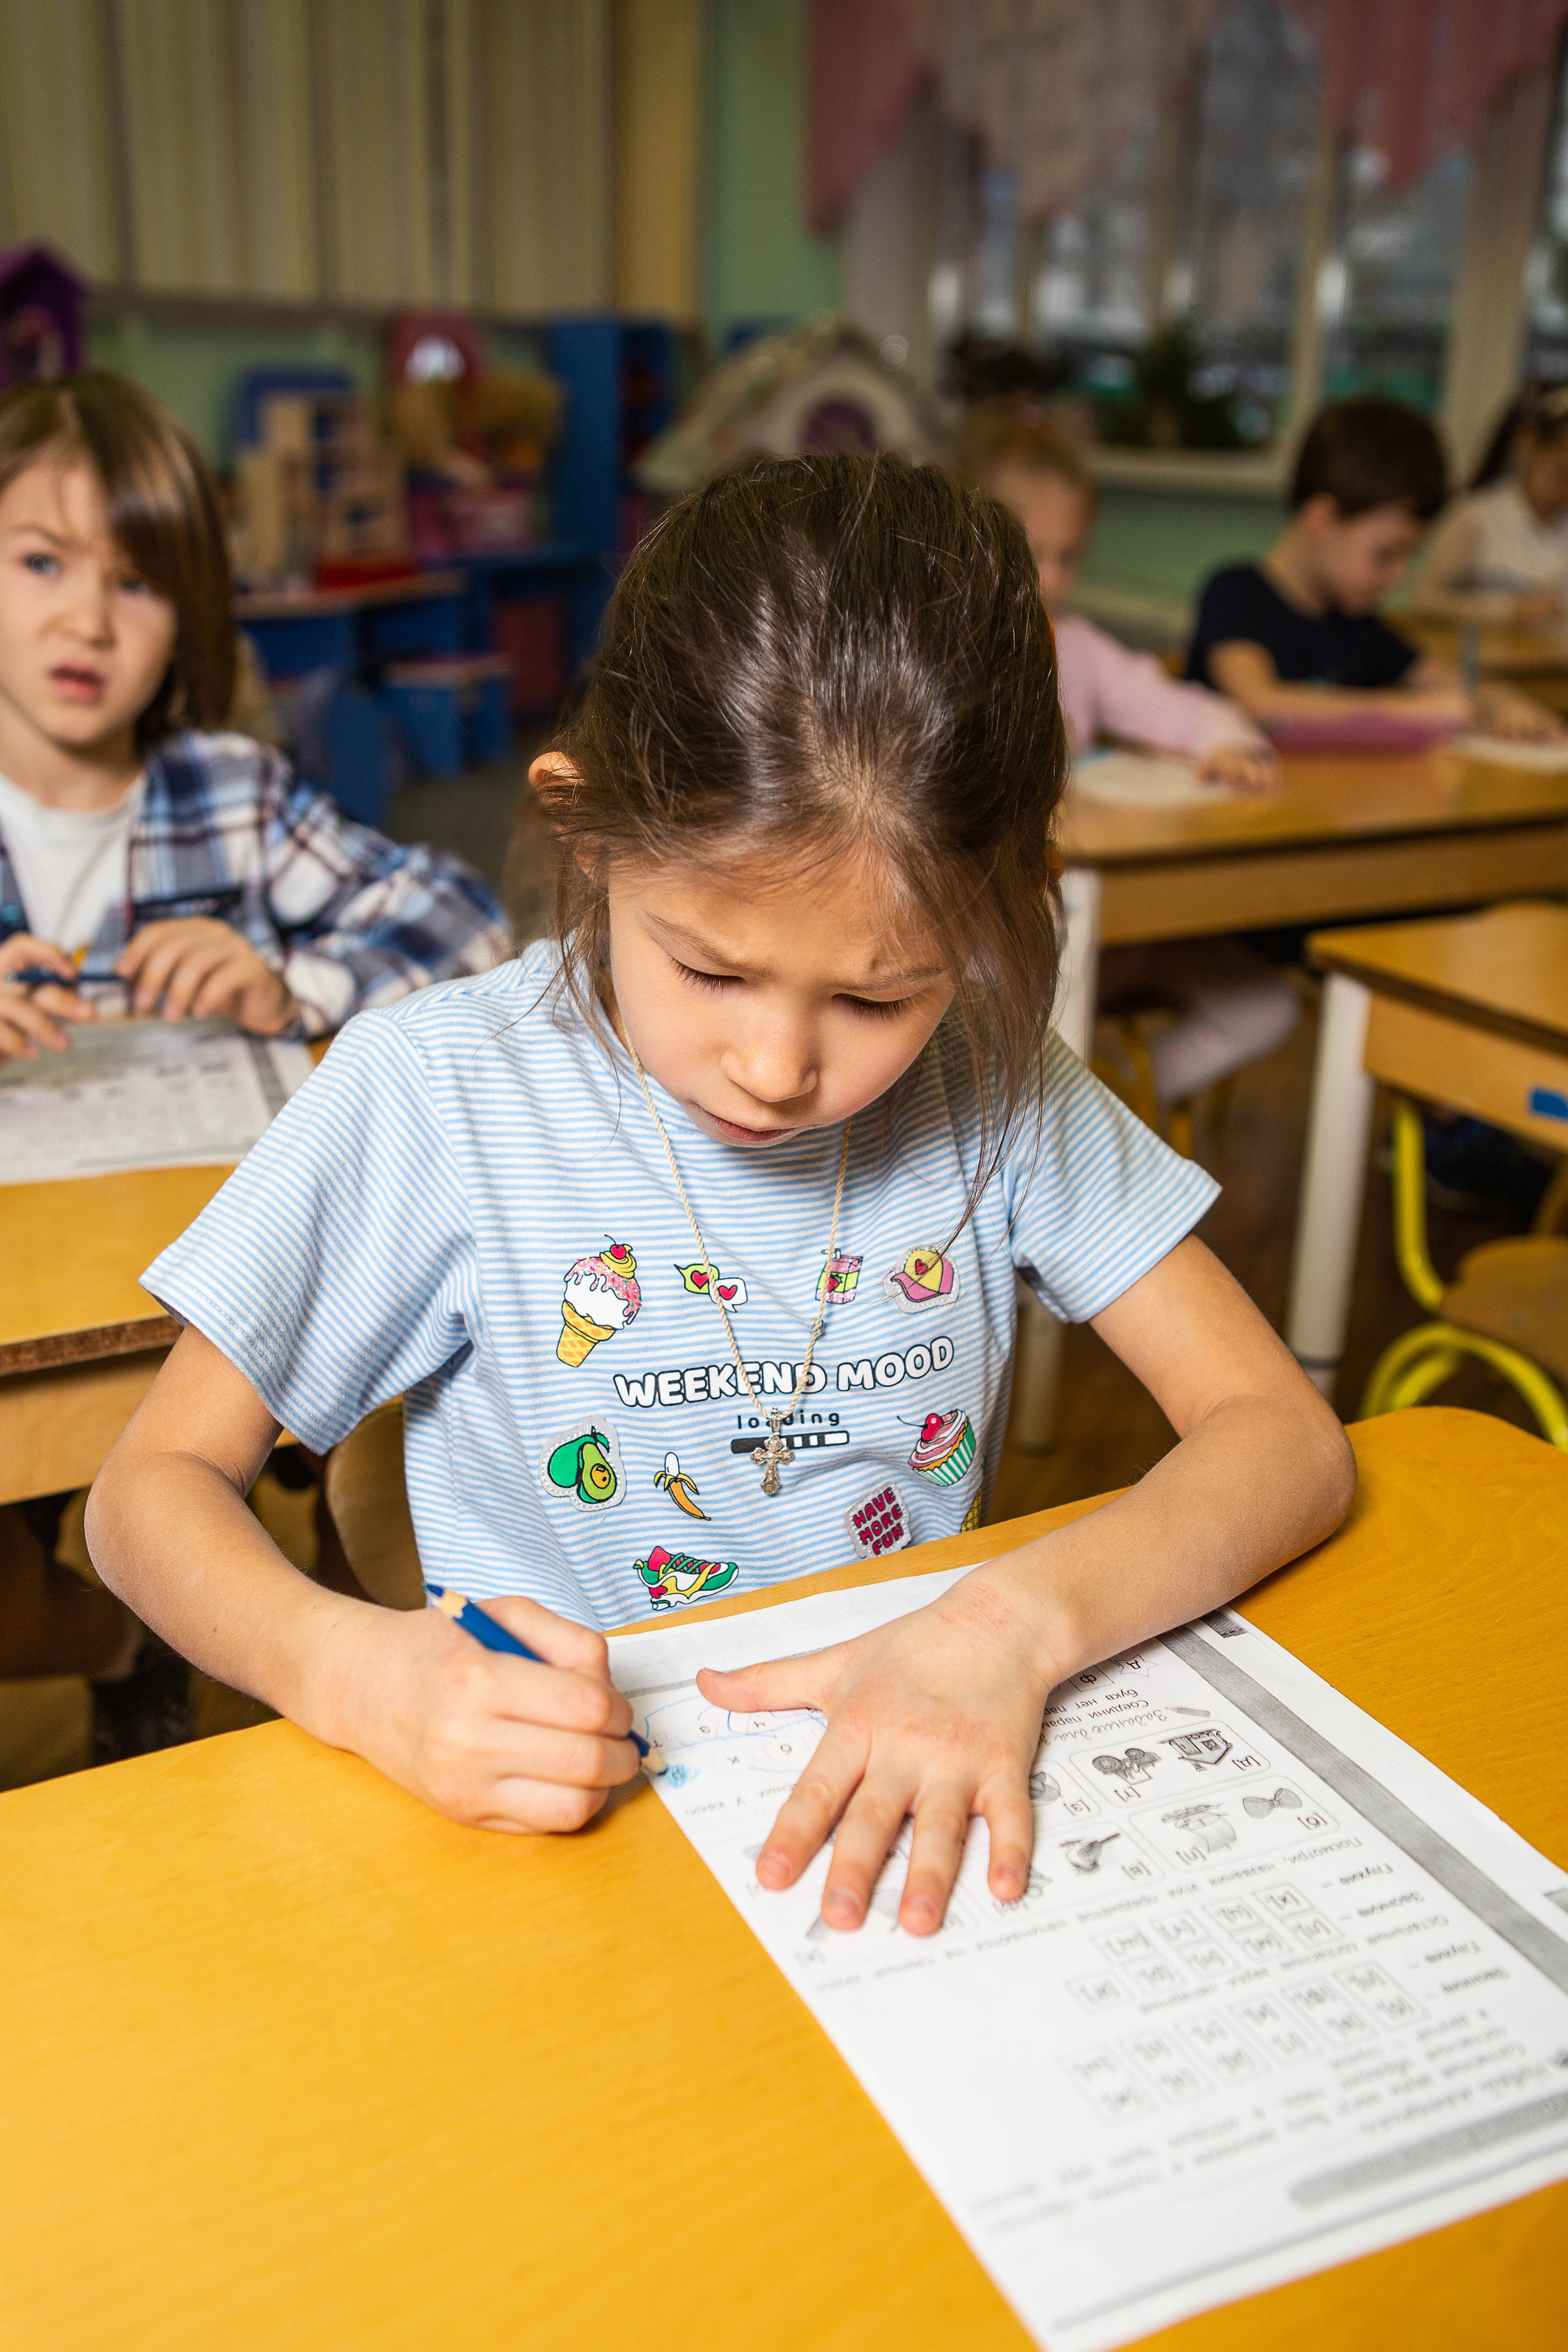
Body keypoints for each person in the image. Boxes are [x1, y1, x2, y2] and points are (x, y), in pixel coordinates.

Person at [87, 457, 1354, 1937]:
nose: (774, 1064)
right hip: (553, 1848)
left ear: (999, 918)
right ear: (587, 834)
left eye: (878, 994)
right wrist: (349, 1667)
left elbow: (1281, 1437)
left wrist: (1010, 1623)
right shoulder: (443, 1091)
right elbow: (144, 1496)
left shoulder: (993, 1080)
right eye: (708, 968)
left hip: (891, 1817)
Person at [0, 371, 509, 1754]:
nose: (86, 618)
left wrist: (296, 982)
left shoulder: (231, 793)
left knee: (349, 1484)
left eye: (138, 581)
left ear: (194, 617)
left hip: (215, 1300)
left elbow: (473, 926)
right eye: (40, 560)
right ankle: (121, 1635)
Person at [956, 400, 1298, 1112]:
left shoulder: (1079, 648)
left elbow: (1174, 704)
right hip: (989, 948)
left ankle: (1117, 1110)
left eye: (1068, 556)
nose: (1048, 578)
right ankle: (1058, 1123)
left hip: (1110, 919)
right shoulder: (943, 650)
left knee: (1266, 1006)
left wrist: (1228, 741)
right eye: (1030, 551)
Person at [1186, 394, 1556, 740]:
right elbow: (1260, 704)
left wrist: (1503, 701)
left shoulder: (1359, 627)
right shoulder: (1235, 594)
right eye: (1386, 553)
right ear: (1322, 521)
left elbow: (1459, 688)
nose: (1399, 576)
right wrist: (1409, 711)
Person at [1409, 380, 1568, 626]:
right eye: (1562, 473)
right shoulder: (1475, 514)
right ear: (1528, 443)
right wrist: (1510, 609)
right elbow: (1423, 600)